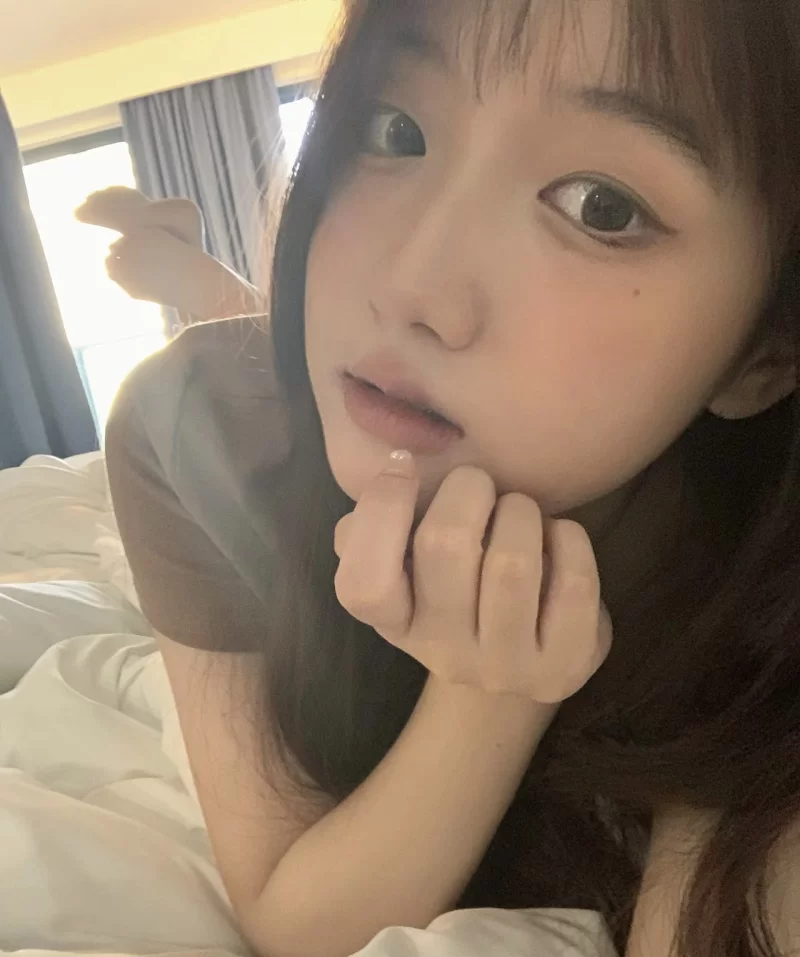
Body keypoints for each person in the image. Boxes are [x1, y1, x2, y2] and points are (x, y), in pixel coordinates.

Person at [102, 1, 800, 956]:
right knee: (269, 342)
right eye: (394, 129)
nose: (413, 282)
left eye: (600, 207)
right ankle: (189, 275)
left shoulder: (747, 562)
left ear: (767, 355)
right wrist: (491, 694)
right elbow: (295, 918)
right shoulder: (198, 429)